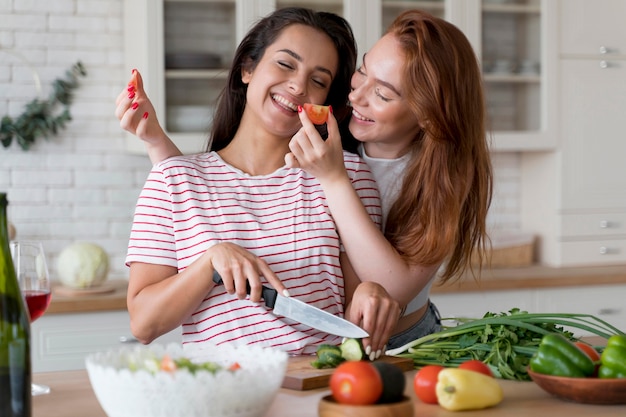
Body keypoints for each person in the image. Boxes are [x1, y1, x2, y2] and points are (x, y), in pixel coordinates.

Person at [119, 9, 493, 357]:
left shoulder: (348, 175)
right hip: (219, 387)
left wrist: (368, 293)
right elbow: (145, 324)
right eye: (285, 64)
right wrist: (209, 263)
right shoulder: (173, 176)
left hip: (333, 375)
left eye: (318, 80)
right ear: (247, 67)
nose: (298, 87)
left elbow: (364, 298)